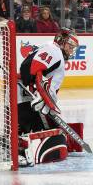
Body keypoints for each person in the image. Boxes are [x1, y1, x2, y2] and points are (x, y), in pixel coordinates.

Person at [17, 29, 79, 166]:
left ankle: (17, 146)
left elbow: (40, 75)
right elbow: (28, 67)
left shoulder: (53, 49)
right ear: (62, 42)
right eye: (70, 47)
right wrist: (39, 93)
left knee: (37, 127)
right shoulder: (54, 51)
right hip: (23, 94)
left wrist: (46, 99)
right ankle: (19, 151)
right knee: (33, 128)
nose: (71, 51)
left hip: (27, 95)